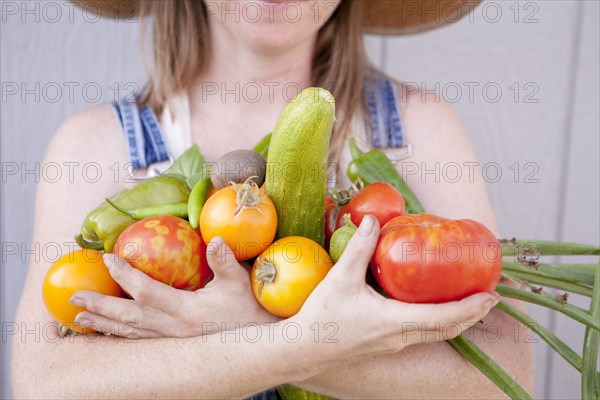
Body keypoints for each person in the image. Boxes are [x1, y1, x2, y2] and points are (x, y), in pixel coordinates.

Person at [12, 1, 533, 398]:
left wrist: (242, 331)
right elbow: (44, 381)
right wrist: (297, 344)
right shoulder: (95, 146)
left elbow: (504, 376)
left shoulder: (419, 130)